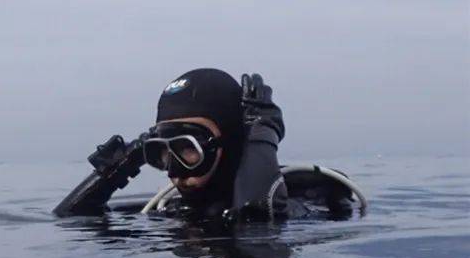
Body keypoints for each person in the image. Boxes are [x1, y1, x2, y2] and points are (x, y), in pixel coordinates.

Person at [53, 68, 351, 221]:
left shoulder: (301, 209)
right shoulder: (172, 210)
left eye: (187, 148)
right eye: (161, 153)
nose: (175, 172)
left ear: (231, 142)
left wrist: (261, 134)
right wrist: (126, 162)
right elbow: (70, 219)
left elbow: (256, 226)